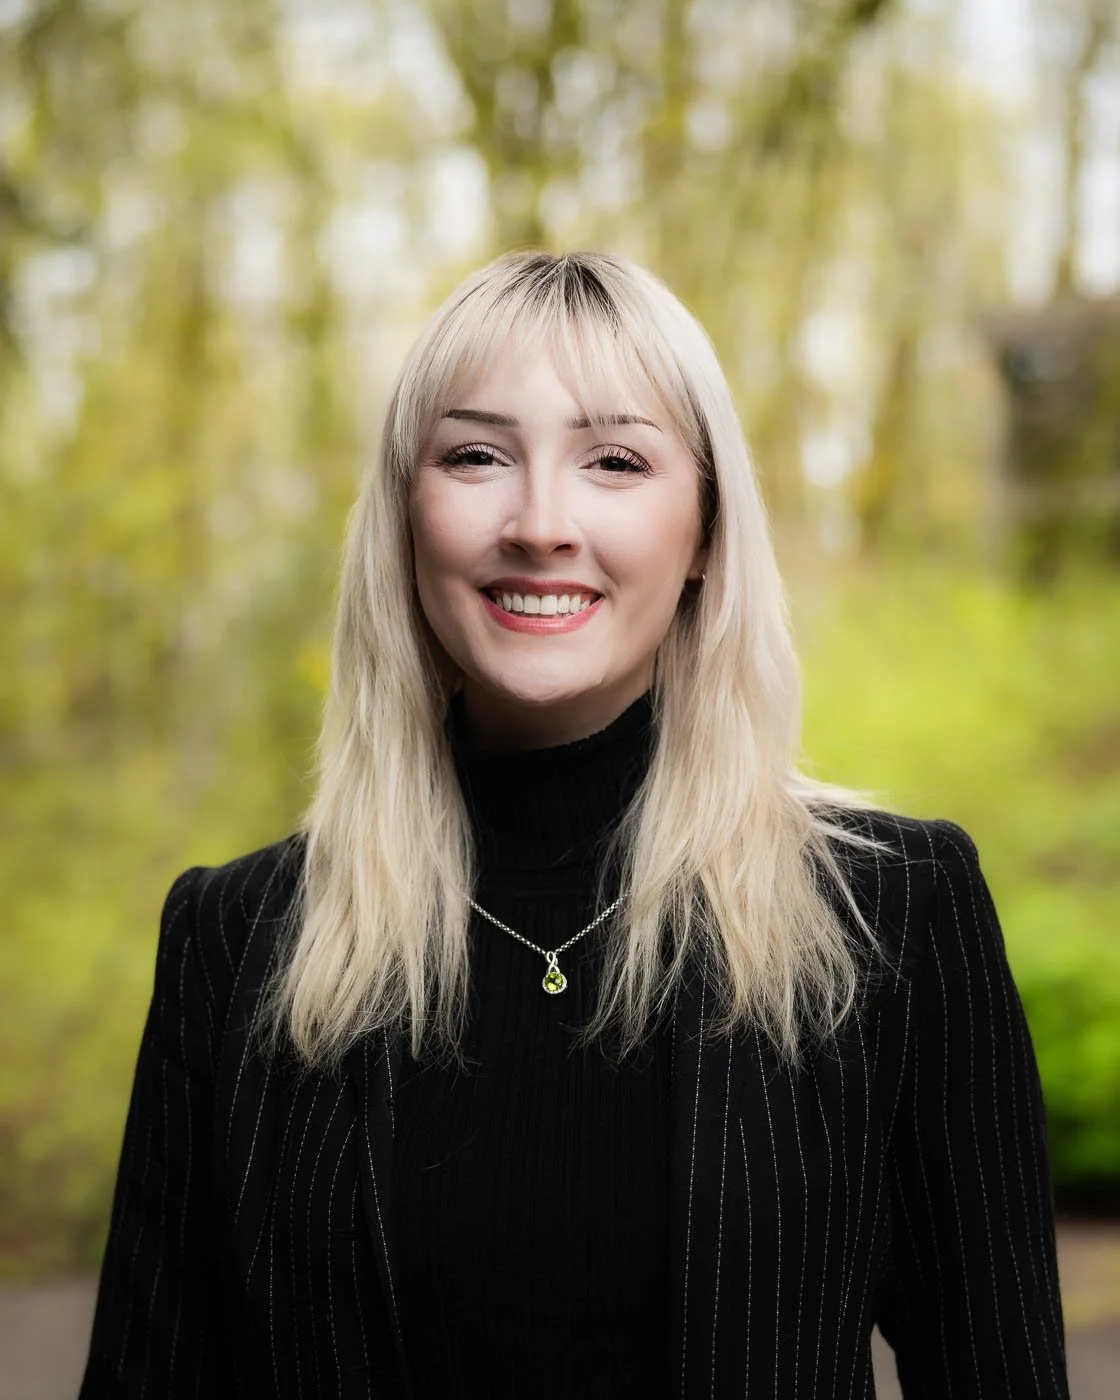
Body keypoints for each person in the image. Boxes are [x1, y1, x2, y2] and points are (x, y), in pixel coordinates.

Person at [80, 250, 1068, 1399]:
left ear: (704, 530)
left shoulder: (896, 911)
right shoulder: (235, 938)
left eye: (614, 459)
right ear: (405, 518)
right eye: (476, 455)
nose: (540, 522)